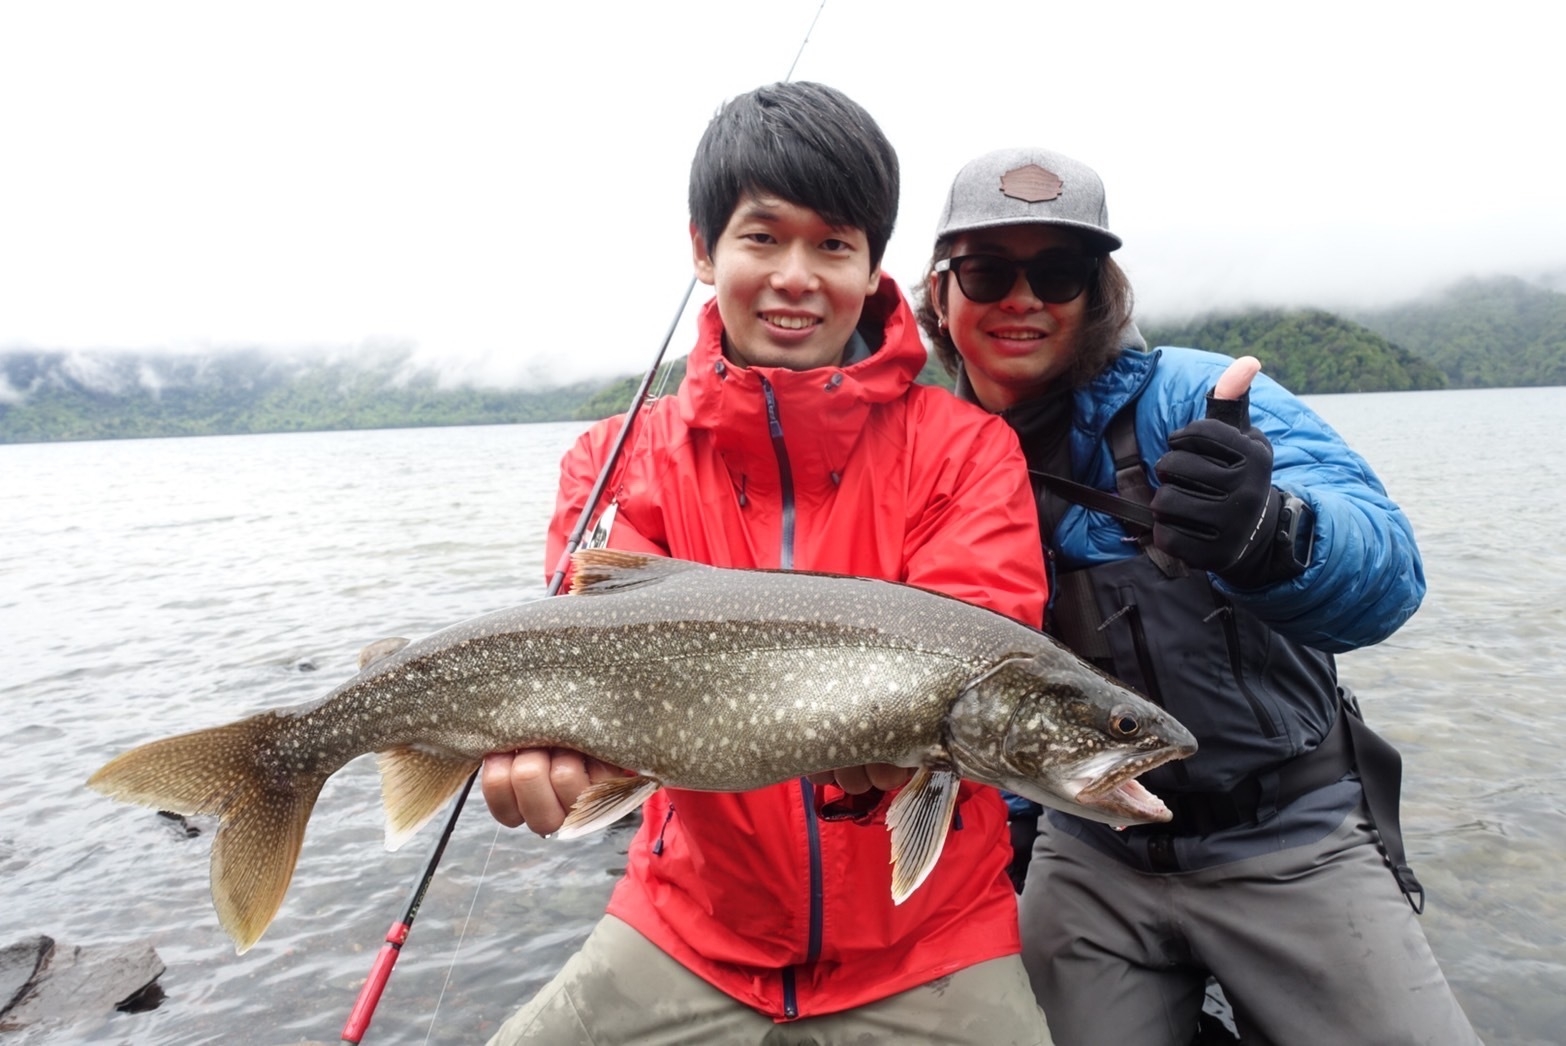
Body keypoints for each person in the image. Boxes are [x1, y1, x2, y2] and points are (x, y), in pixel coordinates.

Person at [481, 86, 1054, 1045]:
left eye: (833, 244)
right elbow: (589, 683)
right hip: (684, 929)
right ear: (704, 251)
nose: (797, 275)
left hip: (934, 942)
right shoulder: (611, 464)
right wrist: (557, 761)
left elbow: (976, 668)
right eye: (762, 237)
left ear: (874, 267)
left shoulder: (971, 452)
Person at [917, 147, 1480, 1045]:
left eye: (1058, 271)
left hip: (1289, 838)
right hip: (1087, 850)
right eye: (987, 271)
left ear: (1098, 293)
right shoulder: (933, 457)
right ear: (942, 296)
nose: (1021, 299)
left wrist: (1275, 532)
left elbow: (1392, 575)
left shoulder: (1198, 397)